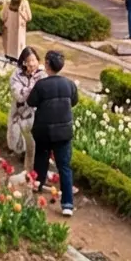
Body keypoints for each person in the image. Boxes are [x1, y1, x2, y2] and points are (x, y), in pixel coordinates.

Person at [27, 50, 82, 218]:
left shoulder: (42, 85)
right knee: (64, 166)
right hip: (63, 132)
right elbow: (73, 101)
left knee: (41, 159)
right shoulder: (70, 84)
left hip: (43, 130)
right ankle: (67, 204)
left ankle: (38, 185)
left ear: (47, 65)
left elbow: (31, 102)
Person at [0, 0, 32, 64]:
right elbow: (29, 17)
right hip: (18, 31)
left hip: (11, 30)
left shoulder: (9, 3)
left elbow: (3, 17)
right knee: (18, 49)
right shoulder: (23, 3)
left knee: (11, 48)